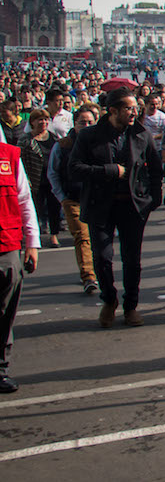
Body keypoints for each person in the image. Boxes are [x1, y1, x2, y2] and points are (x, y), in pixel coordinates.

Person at [70, 89, 164, 328]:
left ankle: (131, 305)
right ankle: (109, 300)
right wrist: (109, 171)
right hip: (100, 205)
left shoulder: (142, 135)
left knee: (132, 260)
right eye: (128, 109)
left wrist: (153, 198)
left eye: (135, 108)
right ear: (113, 111)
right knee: (102, 257)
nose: (134, 113)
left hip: (132, 206)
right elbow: (75, 168)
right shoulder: (89, 136)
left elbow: (155, 169)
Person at [0, 135, 40, 394]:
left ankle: (0, 369)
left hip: (6, 244)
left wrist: (32, 242)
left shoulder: (9, 156)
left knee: (4, 313)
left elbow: (24, 199)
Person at [47, 105, 99, 293]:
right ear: (74, 124)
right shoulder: (63, 145)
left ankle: (98, 271)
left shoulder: (100, 143)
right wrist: (62, 198)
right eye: (82, 122)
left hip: (96, 198)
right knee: (82, 238)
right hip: (73, 199)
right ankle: (88, 276)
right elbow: (53, 173)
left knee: (98, 239)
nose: (86, 125)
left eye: (90, 122)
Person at [19, 110, 62, 248]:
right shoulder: (25, 140)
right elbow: (19, 161)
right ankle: (34, 237)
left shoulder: (53, 138)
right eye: (40, 120)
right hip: (34, 179)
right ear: (32, 122)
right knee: (35, 209)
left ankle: (54, 235)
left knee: (54, 208)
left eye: (46, 119)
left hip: (51, 179)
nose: (43, 122)